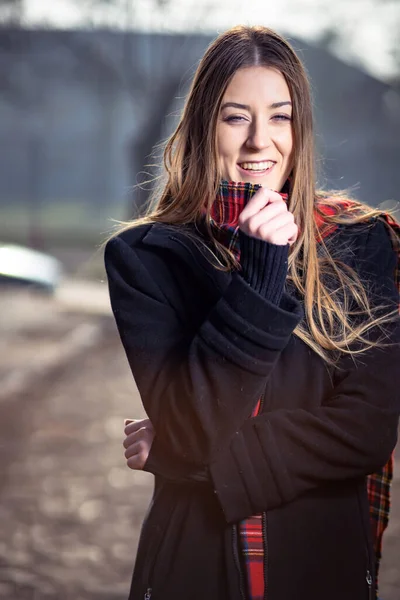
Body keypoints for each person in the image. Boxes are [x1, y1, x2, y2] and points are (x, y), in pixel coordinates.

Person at [105, 25, 400, 600]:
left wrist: (183, 458)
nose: (259, 142)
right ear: (202, 127)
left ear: (301, 128)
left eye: (280, 117)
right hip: (193, 565)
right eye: (235, 116)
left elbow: (366, 431)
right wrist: (262, 270)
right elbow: (195, 428)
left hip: (324, 562)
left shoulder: (364, 243)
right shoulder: (146, 258)